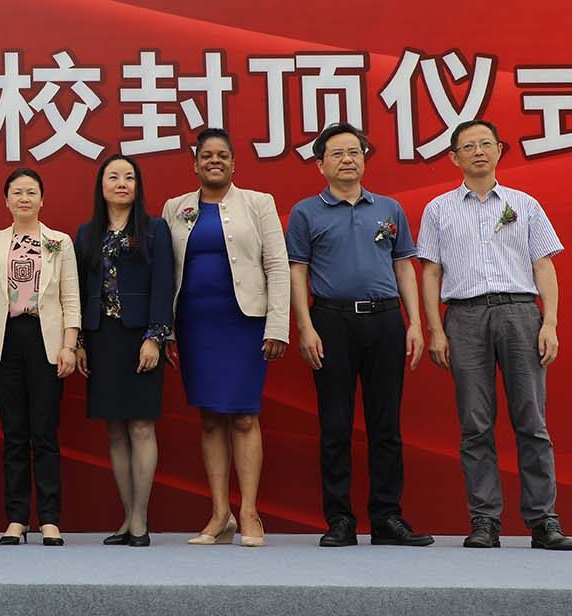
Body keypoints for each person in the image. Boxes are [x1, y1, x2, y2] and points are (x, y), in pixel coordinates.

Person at [418, 119, 572, 551]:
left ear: (500, 150)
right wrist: (435, 329)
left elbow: (544, 264)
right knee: (475, 425)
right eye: (468, 146)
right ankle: (485, 520)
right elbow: (430, 271)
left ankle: (544, 521)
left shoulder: (525, 204)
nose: (479, 151)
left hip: (521, 314)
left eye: (487, 143)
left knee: (532, 422)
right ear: (454, 157)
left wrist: (550, 321)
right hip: (464, 318)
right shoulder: (438, 209)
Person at [286, 122, 431, 548]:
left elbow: (405, 266)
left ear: (364, 159)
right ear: (320, 164)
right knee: (335, 425)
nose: (348, 159)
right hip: (330, 323)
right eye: (338, 153)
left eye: (355, 151)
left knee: (386, 425)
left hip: (385, 320)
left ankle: (387, 517)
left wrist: (416, 323)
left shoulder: (388, 209)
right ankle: (340, 520)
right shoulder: (305, 213)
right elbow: (298, 270)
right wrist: (305, 325)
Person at [161, 129, 288, 548]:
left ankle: (250, 511)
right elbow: (165, 274)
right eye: (206, 156)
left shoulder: (258, 203)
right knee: (211, 418)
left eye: (222, 155)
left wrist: (277, 325)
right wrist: (165, 332)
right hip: (196, 326)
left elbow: (278, 266)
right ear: (195, 164)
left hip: (244, 323)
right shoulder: (175, 208)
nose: (214, 161)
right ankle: (220, 514)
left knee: (244, 416)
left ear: (234, 163)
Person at [0, 168, 80, 547]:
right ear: (6, 200)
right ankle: (16, 518)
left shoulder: (60, 242)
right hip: (5, 340)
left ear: (42, 199)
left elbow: (70, 300)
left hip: (47, 339)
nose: (24, 198)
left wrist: (69, 344)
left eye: (31, 192)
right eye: (17, 192)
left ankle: (49, 518)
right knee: (14, 434)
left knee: (45, 433)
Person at [75, 155, 174, 547]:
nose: (121, 183)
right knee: (114, 429)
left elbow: (164, 284)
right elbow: (79, 291)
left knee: (141, 425)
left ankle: (140, 520)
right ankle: (126, 516)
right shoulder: (86, 234)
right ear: (101, 185)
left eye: (128, 177)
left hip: (140, 337)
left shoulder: (155, 230)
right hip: (102, 338)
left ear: (138, 186)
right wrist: (79, 341)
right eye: (113, 177)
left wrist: (155, 336)